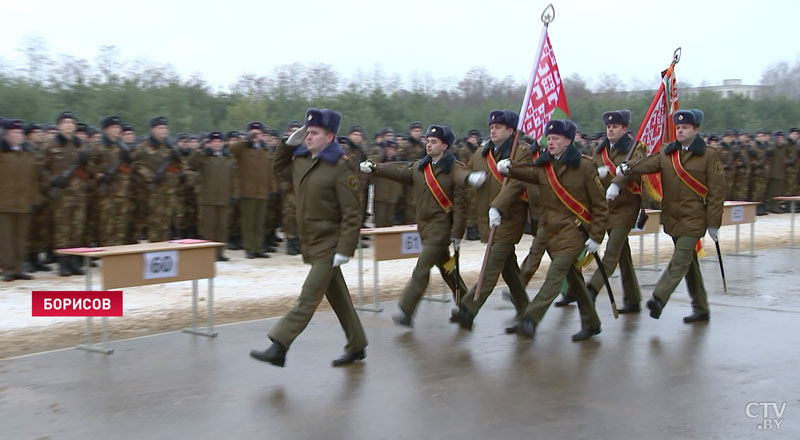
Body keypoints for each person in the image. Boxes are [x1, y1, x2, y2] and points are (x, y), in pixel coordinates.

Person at [250, 108, 367, 367]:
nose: (309, 137)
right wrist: (288, 143)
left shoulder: (340, 166)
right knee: (338, 297)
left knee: (308, 296)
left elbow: (352, 212)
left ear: (330, 137)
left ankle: (279, 345)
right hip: (311, 242)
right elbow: (278, 169)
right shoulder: (301, 160)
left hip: (330, 244)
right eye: (307, 132)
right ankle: (357, 344)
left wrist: (345, 249)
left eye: (314, 133)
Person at [495, 119, 607, 341]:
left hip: (574, 232)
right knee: (574, 279)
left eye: (556, 138)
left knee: (554, 276)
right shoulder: (545, 165)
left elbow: (600, 205)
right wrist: (510, 168)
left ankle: (529, 319)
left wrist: (596, 236)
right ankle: (592, 322)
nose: (551, 141)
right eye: (549, 137)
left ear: (568, 140)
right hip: (550, 230)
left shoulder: (584, 166)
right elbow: (529, 174)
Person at [609, 109, 724, 323]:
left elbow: (717, 192)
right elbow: (648, 164)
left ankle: (659, 298)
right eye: (678, 127)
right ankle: (701, 307)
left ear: (696, 129)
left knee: (679, 260)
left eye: (685, 127)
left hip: (694, 218)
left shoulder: (709, 155)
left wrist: (714, 223)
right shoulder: (667, 153)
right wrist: (627, 167)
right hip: (673, 217)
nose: (680, 130)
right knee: (689, 263)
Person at [360, 124, 470, 326]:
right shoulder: (421, 167)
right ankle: (467, 306)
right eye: (428, 141)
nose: (429, 144)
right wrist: (376, 168)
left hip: (442, 229)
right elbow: (399, 170)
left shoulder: (455, 169)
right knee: (448, 270)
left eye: (434, 142)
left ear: (444, 146)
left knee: (422, 268)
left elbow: (461, 206)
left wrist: (457, 232)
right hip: (425, 228)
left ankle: (406, 310)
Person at [454, 109, 532, 330]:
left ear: (510, 130)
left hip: (509, 219)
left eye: (498, 127)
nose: (493, 130)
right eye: (492, 127)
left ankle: (468, 308)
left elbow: (518, 183)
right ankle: (526, 309)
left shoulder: (521, 153)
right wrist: (469, 177)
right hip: (486, 220)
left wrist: (497, 206)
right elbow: (459, 172)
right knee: (508, 268)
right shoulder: (481, 153)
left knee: (491, 265)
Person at [582, 110, 643, 313]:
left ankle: (591, 289)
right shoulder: (600, 151)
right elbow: (589, 169)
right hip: (607, 207)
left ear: (625, 129)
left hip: (626, 206)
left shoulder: (635, 147)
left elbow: (634, 167)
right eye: (608, 127)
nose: (610, 130)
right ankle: (633, 299)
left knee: (612, 251)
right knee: (622, 253)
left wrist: (616, 182)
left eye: (615, 126)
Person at [44, 112, 91, 276]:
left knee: (77, 230)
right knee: (62, 230)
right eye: (65, 122)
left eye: (72, 122)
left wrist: (86, 163)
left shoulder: (82, 145)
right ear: (59, 125)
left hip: (79, 193)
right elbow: (41, 167)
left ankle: (74, 261)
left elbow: (90, 170)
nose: (69, 125)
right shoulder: (50, 144)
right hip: (61, 194)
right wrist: (52, 181)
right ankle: (63, 262)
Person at [0, 119, 41, 281]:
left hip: (24, 202)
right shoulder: (3, 153)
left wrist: (34, 199)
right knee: (5, 239)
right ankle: (8, 269)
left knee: (21, 238)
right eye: (15, 133)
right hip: (4, 203)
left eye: (20, 133)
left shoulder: (28, 153)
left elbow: (33, 179)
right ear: (7, 135)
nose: (19, 136)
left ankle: (18, 267)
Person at [188, 131, 238, 261]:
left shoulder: (228, 158)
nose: (216, 144)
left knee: (222, 228)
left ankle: (220, 253)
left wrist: (234, 194)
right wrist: (200, 150)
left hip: (224, 198)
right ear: (209, 143)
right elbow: (191, 163)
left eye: (219, 142)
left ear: (222, 143)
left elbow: (234, 178)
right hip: (208, 199)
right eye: (214, 142)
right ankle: (209, 253)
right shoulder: (204, 157)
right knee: (208, 228)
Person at [132, 116, 182, 242]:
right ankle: (153, 251)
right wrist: (150, 176)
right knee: (154, 223)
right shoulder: (143, 147)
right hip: (152, 191)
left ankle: (162, 250)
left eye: (165, 128)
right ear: (152, 129)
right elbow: (135, 165)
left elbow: (180, 168)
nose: (163, 130)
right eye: (160, 128)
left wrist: (177, 161)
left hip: (168, 191)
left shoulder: (170, 147)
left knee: (165, 223)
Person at [229, 122, 274, 259]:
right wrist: (246, 139)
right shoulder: (243, 149)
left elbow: (270, 171)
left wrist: (272, 187)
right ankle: (249, 248)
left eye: (258, 133)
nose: (256, 136)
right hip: (247, 190)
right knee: (249, 222)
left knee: (260, 222)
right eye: (253, 133)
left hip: (262, 191)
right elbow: (231, 150)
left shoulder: (266, 150)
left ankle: (258, 248)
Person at [91, 115, 133, 246]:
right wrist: (101, 176)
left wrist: (127, 162)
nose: (117, 130)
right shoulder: (98, 147)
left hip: (122, 193)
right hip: (106, 193)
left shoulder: (122, 148)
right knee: (106, 228)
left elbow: (128, 171)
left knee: (120, 228)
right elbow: (90, 167)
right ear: (106, 130)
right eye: (113, 127)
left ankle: (118, 259)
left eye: (118, 127)